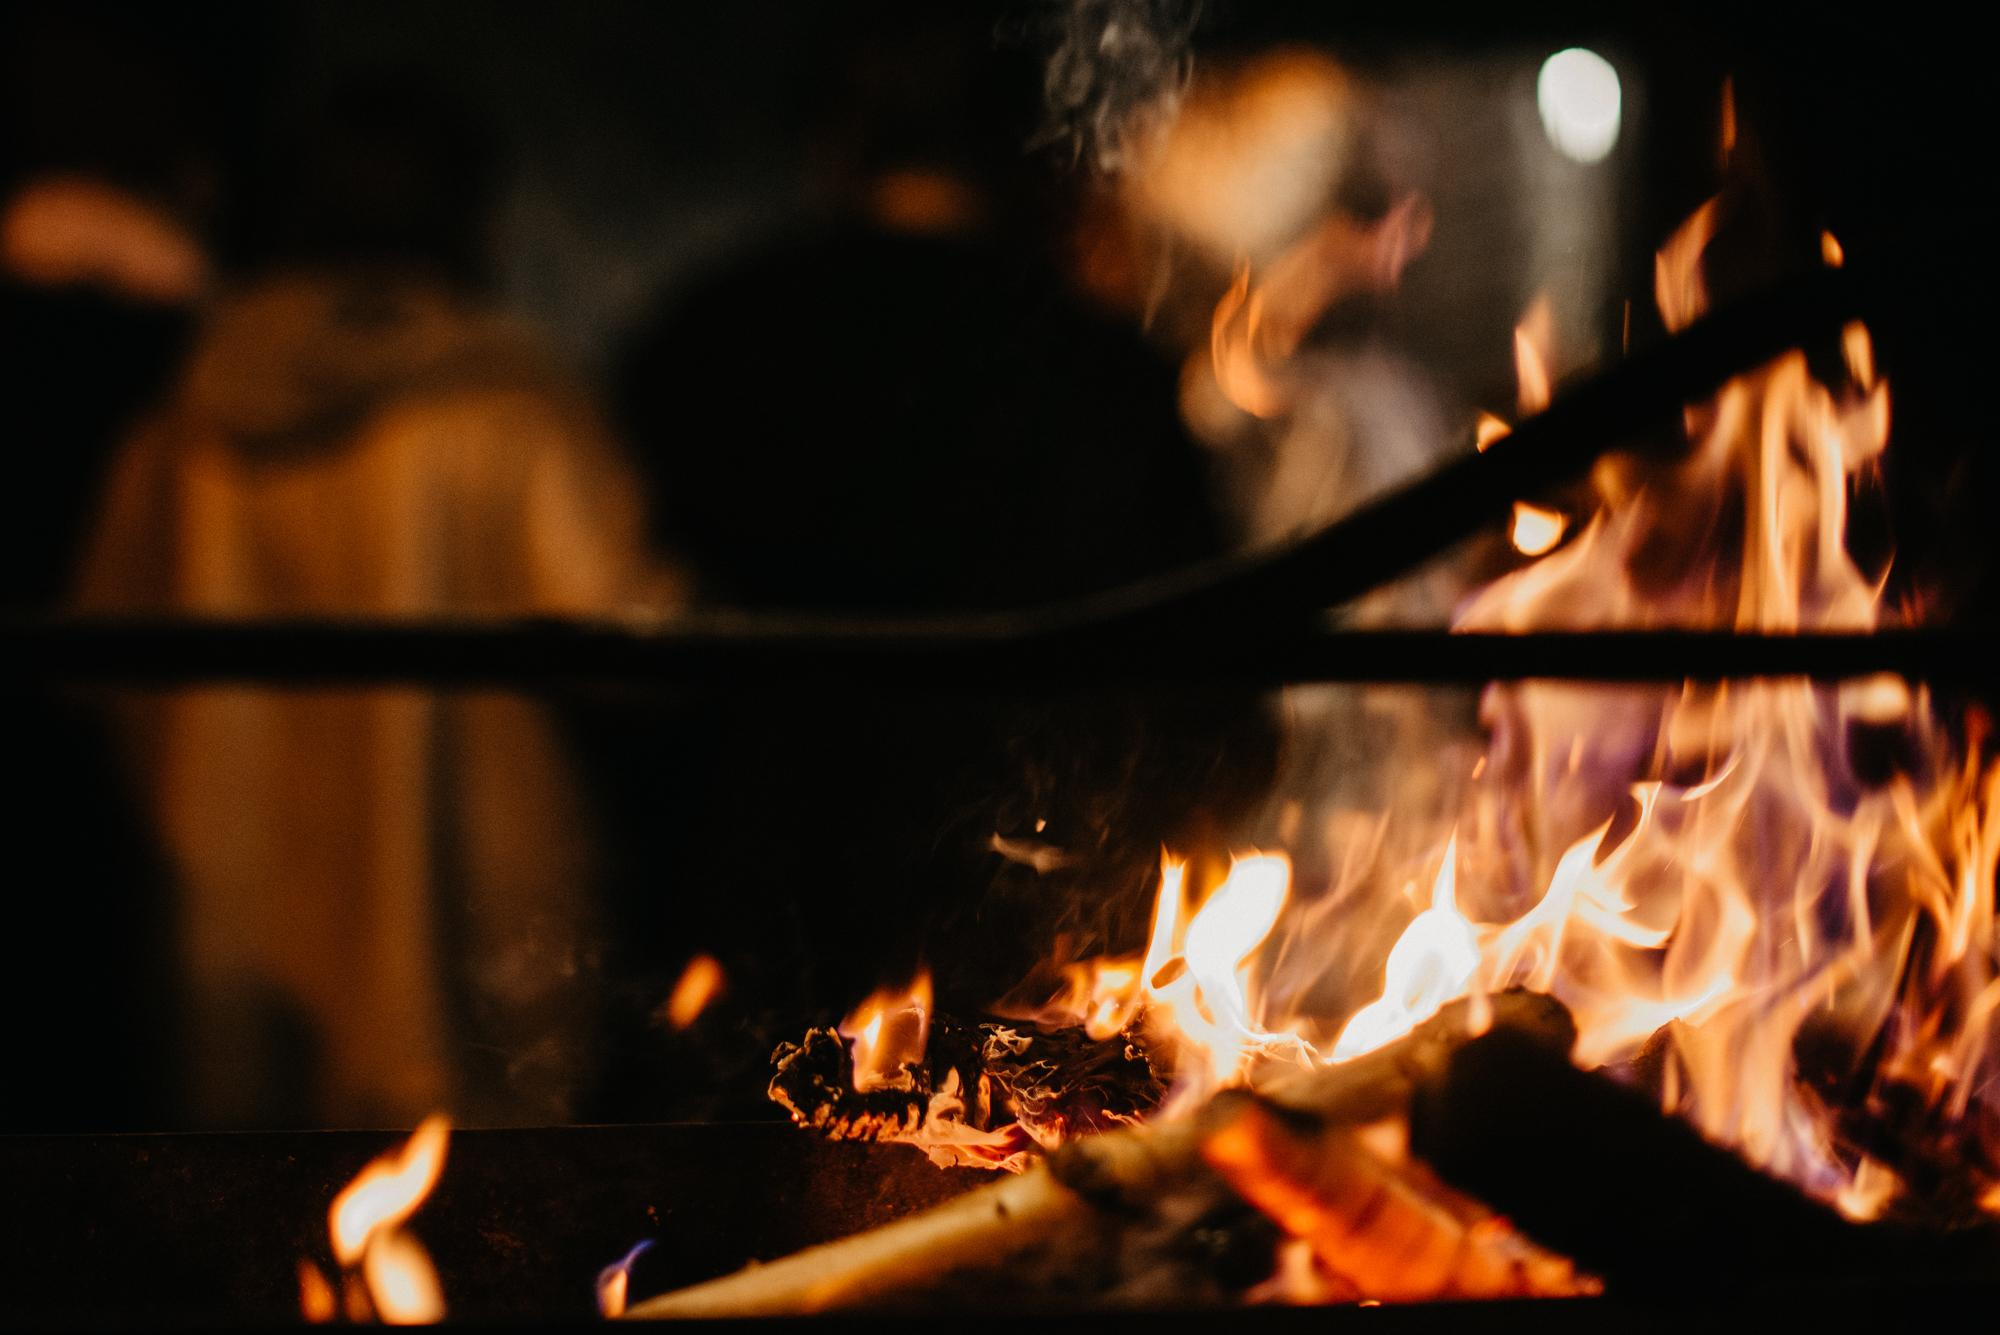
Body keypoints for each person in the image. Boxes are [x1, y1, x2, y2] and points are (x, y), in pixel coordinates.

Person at [73, 78, 675, 1127]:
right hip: (474, 928)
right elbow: (631, 638)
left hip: (232, 928)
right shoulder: (507, 402)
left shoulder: (186, 421)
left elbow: (96, 667)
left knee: (253, 1246)